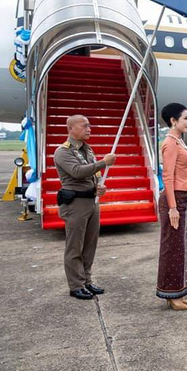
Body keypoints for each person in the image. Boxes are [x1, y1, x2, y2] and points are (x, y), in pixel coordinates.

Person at [54, 115, 116, 300]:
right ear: (71, 129)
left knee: (90, 245)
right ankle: (76, 286)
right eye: (85, 126)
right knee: (75, 246)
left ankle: (86, 280)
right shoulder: (63, 152)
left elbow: (93, 173)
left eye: (89, 125)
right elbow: (77, 172)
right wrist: (104, 162)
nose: (89, 129)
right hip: (75, 205)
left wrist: (99, 186)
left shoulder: (87, 150)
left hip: (91, 202)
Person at [156, 103, 187, 311]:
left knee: (179, 248)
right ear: (173, 120)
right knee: (172, 248)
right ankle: (171, 295)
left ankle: (178, 292)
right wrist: (172, 207)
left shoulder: (178, 141)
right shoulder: (171, 143)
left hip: (181, 197)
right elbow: (167, 177)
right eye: (185, 118)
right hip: (174, 199)